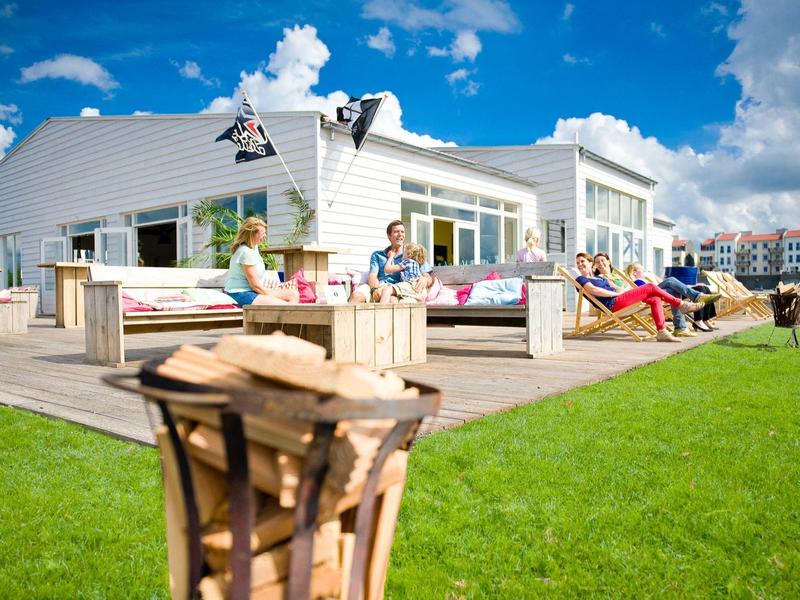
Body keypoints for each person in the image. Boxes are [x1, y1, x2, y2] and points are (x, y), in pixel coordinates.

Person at [574, 252, 703, 343]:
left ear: (591, 263)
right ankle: (681, 304)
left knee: (654, 298)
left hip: (620, 298)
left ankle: (662, 331)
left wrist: (625, 290)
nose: (580, 264)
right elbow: (594, 290)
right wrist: (617, 294)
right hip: (614, 303)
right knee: (651, 287)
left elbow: (616, 288)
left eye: (582, 261)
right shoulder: (581, 279)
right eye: (578, 262)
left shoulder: (598, 278)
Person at [624, 262, 720, 335]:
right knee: (671, 280)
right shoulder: (637, 282)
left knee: (674, 290)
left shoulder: (642, 280)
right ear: (634, 272)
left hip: (655, 293)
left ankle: (681, 328)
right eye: (642, 270)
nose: (645, 272)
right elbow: (648, 290)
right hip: (651, 295)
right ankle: (697, 297)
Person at [349, 220, 432, 303]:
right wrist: (375, 290)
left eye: (402, 232)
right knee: (356, 296)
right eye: (396, 232)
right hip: (378, 287)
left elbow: (427, 276)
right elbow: (372, 276)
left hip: (397, 290)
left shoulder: (411, 254)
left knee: (392, 300)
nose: (400, 234)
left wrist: (425, 279)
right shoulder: (377, 255)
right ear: (389, 235)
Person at [224, 216, 300, 306]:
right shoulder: (246, 252)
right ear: (252, 234)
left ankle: (285, 318)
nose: (265, 236)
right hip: (241, 294)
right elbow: (255, 285)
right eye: (262, 233)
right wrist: (270, 296)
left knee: (293, 294)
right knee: (286, 307)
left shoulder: (254, 247)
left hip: (252, 291)